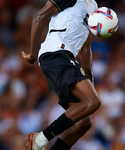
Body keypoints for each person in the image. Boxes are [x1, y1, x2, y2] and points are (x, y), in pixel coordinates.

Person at [22, 0, 101, 149]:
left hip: (65, 58)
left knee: (84, 122)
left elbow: (86, 49)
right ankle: (39, 139)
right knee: (93, 102)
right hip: (56, 53)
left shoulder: (93, 6)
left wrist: (90, 82)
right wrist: (33, 53)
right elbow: (40, 16)